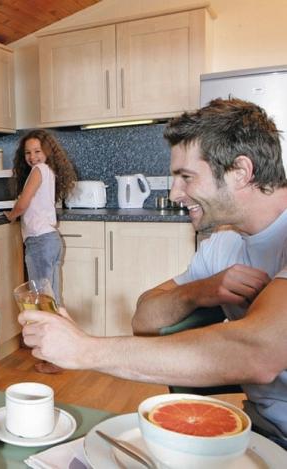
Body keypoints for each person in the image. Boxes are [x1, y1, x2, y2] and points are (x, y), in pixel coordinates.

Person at [19, 98, 287, 448]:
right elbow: (145, 318)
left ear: (241, 171)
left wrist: (84, 350)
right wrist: (201, 290)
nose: (175, 193)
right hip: (264, 433)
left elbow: (258, 351)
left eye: (186, 177)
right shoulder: (224, 246)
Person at [4, 129, 76, 374]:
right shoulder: (48, 171)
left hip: (40, 242)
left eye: (37, 151)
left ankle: (55, 359)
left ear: (46, 152)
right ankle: (63, 354)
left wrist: (11, 215)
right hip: (50, 240)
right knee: (53, 299)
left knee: (44, 303)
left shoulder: (38, 171)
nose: (33, 157)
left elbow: (23, 203)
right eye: (28, 153)